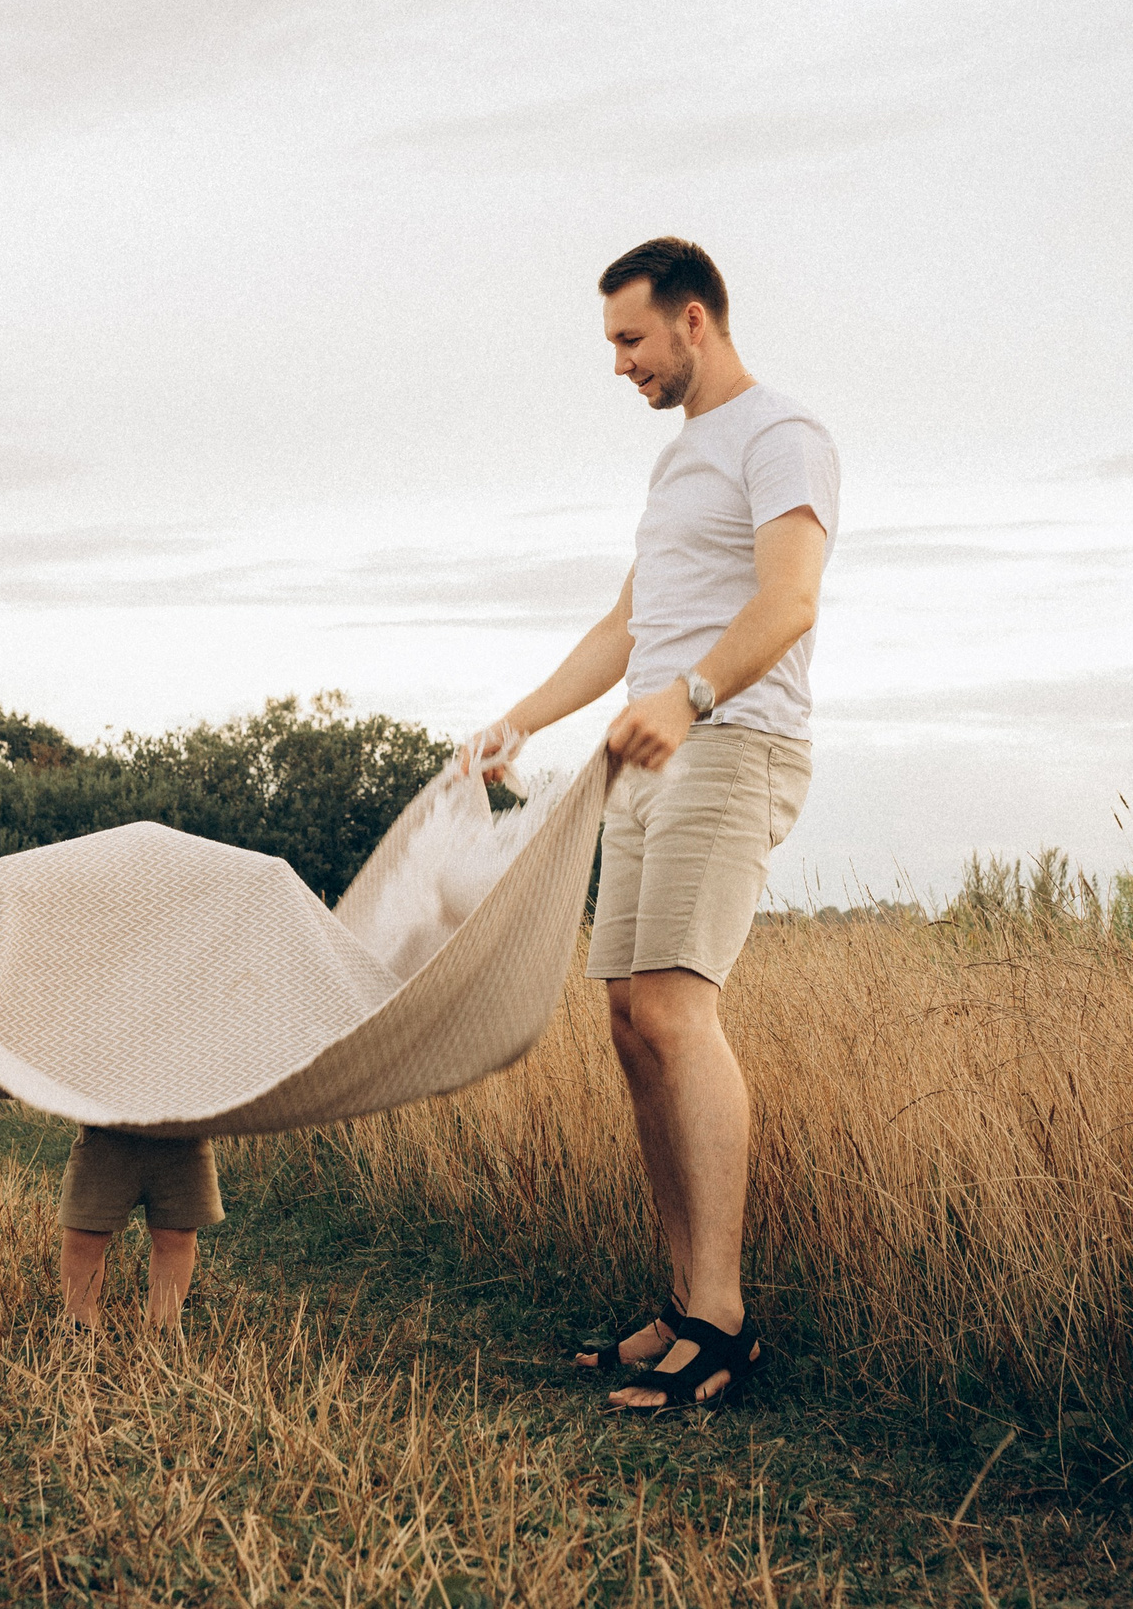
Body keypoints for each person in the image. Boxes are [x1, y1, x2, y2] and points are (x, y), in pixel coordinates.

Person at [467, 238, 836, 1415]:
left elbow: (789, 598)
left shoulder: (781, 434)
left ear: (692, 320)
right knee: (628, 1018)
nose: (620, 364)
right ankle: (680, 1302)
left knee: (679, 1008)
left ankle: (722, 1322)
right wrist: (518, 722)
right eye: (611, 344)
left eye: (631, 340)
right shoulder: (679, 463)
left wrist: (692, 698)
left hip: (729, 741)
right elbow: (632, 625)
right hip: (650, 748)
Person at [57, 1128, 223, 1332]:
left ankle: (162, 1328)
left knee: (176, 1234)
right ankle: (79, 1325)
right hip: (104, 1139)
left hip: (183, 1141)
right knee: (85, 1234)